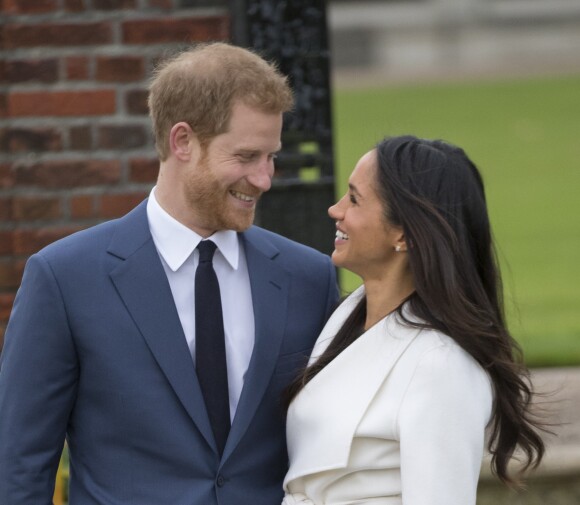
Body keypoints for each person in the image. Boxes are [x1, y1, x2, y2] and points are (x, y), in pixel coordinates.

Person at [0, 42, 339, 505]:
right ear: (182, 141)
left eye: (271, 156)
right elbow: (19, 466)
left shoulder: (309, 278)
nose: (264, 178)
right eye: (245, 157)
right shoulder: (64, 279)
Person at [281, 135, 546, 505]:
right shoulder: (347, 316)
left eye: (354, 199)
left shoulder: (441, 364)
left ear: (403, 232)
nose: (335, 210)